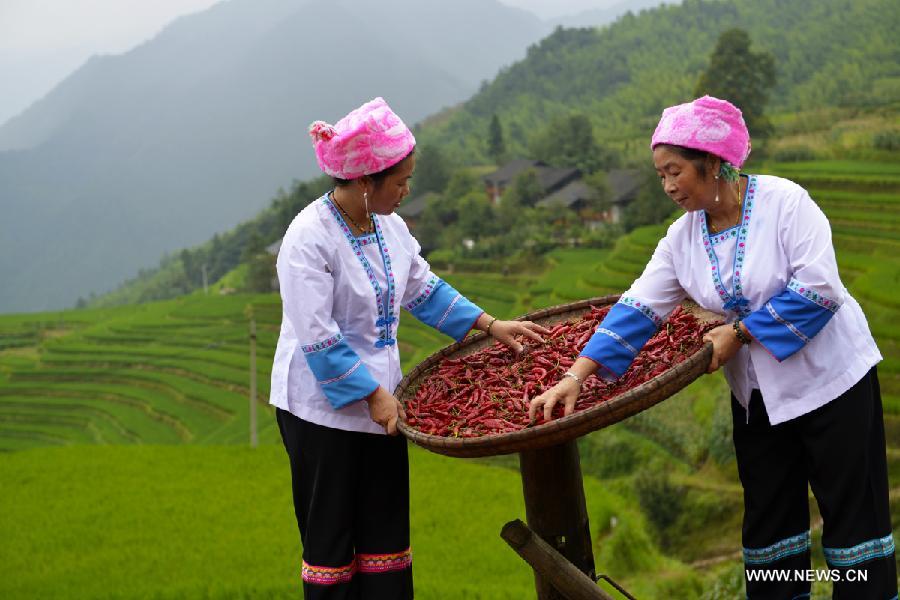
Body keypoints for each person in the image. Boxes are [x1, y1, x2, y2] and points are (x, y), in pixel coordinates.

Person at [530, 96, 895, 598]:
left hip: (832, 386)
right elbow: (638, 308)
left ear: (714, 162)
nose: (668, 186)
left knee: (855, 523)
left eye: (675, 171)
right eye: (661, 175)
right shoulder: (681, 240)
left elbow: (821, 289)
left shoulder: (786, 204)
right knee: (771, 531)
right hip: (758, 402)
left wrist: (740, 333)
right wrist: (576, 376)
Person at [270, 97, 549, 599]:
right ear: (364, 181)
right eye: (399, 181)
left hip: (384, 403)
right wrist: (371, 395)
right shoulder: (308, 239)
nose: (406, 190)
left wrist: (489, 324)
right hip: (321, 410)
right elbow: (317, 336)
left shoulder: (389, 228)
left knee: (385, 535)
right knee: (332, 539)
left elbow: (424, 290)